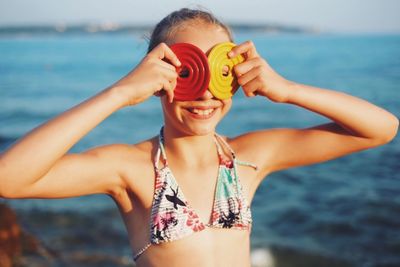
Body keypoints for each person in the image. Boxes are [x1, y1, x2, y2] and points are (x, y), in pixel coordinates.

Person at [0, 8, 398, 267]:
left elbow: (382, 128)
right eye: (189, 73)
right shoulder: (130, 169)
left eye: (219, 72)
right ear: (157, 78)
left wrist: (287, 89)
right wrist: (119, 93)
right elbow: (9, 179)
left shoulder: (248, 157)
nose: (206, 93)